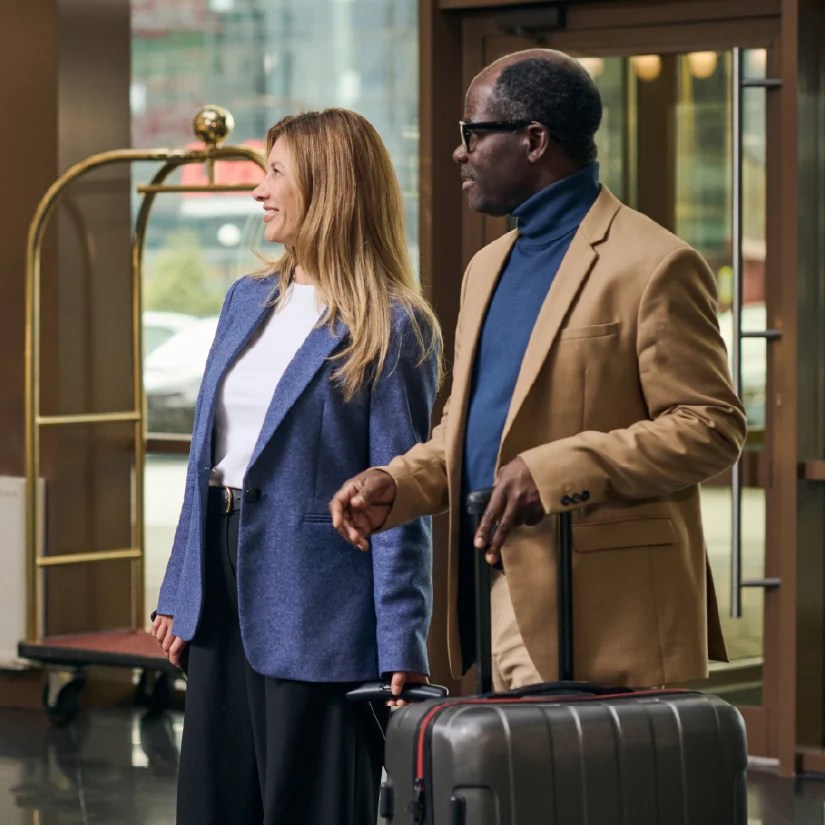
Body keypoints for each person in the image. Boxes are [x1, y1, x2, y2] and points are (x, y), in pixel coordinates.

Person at [330, 49, 747, 693]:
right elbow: (469, 431)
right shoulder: (485, 268)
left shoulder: (657, 263)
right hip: (489, 600)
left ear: (533, 140)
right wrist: (399, 483)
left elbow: (710, 427)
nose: (459, 152)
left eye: (473, 133)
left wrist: (556, 471)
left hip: (607, 618)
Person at [151, 108, 441, 825]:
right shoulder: (245, 299)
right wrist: (180, 589)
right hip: (221, 591)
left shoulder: (392, 325)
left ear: (329, 188)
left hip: (321, 609)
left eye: (276, 172)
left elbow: (400, 495)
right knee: (213, 803)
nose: (260, 190)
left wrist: (401, 640)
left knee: (310, 805)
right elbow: (206, 459)